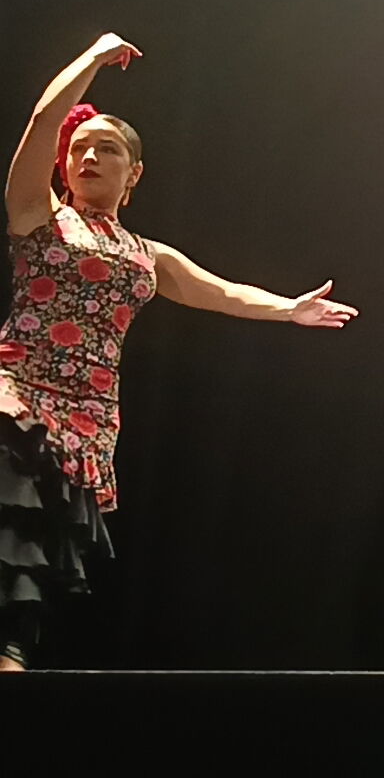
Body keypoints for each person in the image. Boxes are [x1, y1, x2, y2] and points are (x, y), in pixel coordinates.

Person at [1, 33, 358, 671]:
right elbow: (44, 118)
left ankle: (11, 664)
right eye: (79, 149)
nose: (89, 156)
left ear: (133, 175)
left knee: (37, 544)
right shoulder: (39, 215)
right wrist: (93, 58)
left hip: (87, 416)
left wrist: (289, 308)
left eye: (107, 149)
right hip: (16, 392)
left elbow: (220, 291)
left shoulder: (148, 255)